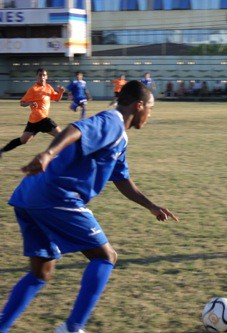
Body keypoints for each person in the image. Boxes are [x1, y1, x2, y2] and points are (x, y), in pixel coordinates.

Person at [0, 80, 179, 333]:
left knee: (42, 272)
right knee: (106, 257)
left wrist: (151, 206)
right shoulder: (112, 121)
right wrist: (48, 154)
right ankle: (72, 328)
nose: (149, 115)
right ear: (139, 106)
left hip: (28, 195)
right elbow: (76, 129)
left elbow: (122, 179)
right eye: (150, 108)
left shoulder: (120, 138)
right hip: (56, 195)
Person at [0, 68, 65, 159]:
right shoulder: (33, 89)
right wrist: (29, 103)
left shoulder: (49, 87)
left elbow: (57, 99)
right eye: (40, 75)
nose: (42, 77)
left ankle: (1, 150)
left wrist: (61, 92)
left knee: (23, 140)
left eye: (44, 75)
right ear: (36, 77)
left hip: (38, 120)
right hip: (38, 119)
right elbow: (22, 103)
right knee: (61, 136)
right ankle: (2, 150)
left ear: (46, 76)